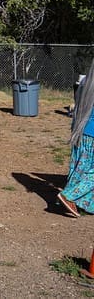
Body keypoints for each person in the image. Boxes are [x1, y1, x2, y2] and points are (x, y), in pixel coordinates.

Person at [58, 60, 94, 217]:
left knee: (81, 168)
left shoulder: (86, 81)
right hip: (92, 134)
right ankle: (69, 196)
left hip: (80, 131)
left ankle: (76, 201)